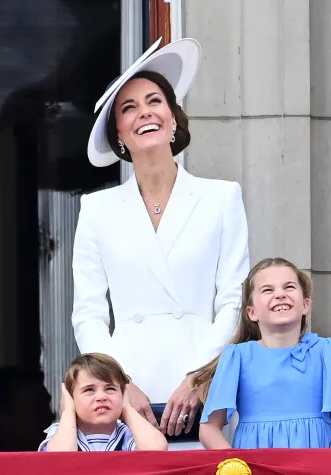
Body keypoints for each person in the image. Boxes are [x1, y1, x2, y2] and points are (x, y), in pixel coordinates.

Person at [74, 38, 250, 449]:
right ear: (118, 133)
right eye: (128, 108)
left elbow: (232, 301)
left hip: (205, 387)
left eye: (154, 101)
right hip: (128, 385)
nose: (144, 113)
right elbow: (88, 312)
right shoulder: (97, 209)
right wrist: (117, 382)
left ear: (173, 118)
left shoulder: (221, 197)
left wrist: (198, 377)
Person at [195, 258, 331, 449]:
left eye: (289, 287)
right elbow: (208, 429)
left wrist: (327, 469)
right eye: (268, 290)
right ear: (252, 312)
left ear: (306, 304)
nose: (280, 294)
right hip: (254, 470)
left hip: (314, 469)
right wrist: (237, 469)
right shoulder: (237, 356)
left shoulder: (327, 351)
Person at [38, 353, 168, 452]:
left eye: (110, 389)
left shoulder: (128, 433)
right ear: (71, 399)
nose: (101, 397)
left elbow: (156, 451)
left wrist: (128, 409)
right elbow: (60, 459)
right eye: (89, 390)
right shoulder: (62, 432)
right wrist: (68, 412)